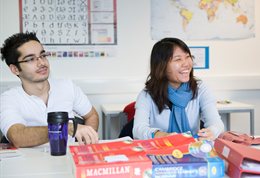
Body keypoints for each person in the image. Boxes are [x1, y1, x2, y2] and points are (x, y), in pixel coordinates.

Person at [0, 32, 99, 147]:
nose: (41, 63)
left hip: (69, 159)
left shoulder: (67, 86)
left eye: (43, 55)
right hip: (32, 163)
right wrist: (65, 128)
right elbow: (17, 137)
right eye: (31, 59)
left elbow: (92, 115)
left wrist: (87, 141)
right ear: (15, 69)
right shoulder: (8, 99)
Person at [133, 38, 224, 140]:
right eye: (178, 59)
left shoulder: (200, 89)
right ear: (161, 66)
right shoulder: (147, 95)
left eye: (188, 57)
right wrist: (161, 135)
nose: (186, 64)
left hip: (191, 149)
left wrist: (211, 132)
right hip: (160, 150)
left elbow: (216, 123)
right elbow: (138, 130)